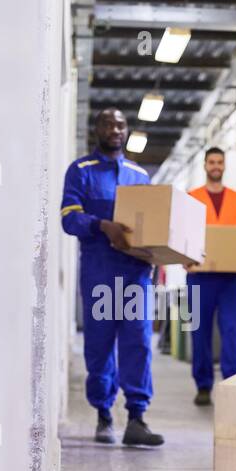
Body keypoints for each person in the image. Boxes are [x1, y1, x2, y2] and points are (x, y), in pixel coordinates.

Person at [59, 108, 165, 447]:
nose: (115, 129)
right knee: (100, 345)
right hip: (100, 272)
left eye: (121, 124)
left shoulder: (138, 174)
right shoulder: (81, 171)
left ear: (126, 129)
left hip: (136, 274)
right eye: (108, 123)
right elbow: (68, 218)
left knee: (138, 343)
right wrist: (101, 225)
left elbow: (151, 224)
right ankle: (104, 415)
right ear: (98, 128)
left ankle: (136, 417)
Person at [186, 147, 236, 406]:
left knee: (231, 328)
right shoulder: (192, 197)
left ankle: (232, 380)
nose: (215, 166)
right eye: (211, 162)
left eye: (219, 162)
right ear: (205, 165)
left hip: (230, 277)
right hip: (200, 275)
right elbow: (183, 236)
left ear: (224, 166)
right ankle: (203, 386)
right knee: (199, 331)